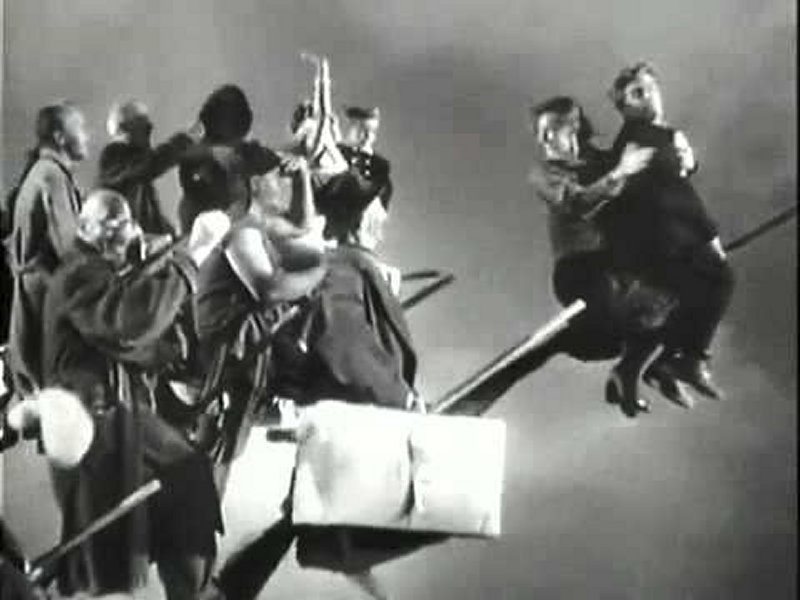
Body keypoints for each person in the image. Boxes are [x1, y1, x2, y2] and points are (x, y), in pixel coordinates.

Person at [39, 188, 230, 599]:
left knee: (176, 489)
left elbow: (131, 339)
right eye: (113, 224)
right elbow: (127, 324)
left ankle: (191, 584)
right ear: (88, 229)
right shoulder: (78, 276)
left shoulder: (95, 270)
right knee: (174, 484)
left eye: (125, 223)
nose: (123, 232)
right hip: (94, 428)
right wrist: (190, 258)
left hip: (110, 417)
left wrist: (170, 350)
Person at [606, 62, 735, 400]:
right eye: (635, 94)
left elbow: (674, 178)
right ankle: (686, 361)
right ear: (623, 107)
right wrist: (710, 237)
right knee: (719, 280)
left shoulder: (656, 137)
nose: (647, 96)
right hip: (664, 241)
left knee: (682, 301)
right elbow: (676, 195)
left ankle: (651, 366)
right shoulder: (643, 139)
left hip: (660, 241)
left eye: (649, 88)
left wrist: (687, 161)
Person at [4, 102, 89, 396]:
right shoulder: (51, 176)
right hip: (45, 303)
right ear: (60, 137)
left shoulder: (43, 171)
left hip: (34, 297)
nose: (87, 136)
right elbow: (70, 250)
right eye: (80, 128)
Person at [178, 84, 281, 232]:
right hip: (203, 223)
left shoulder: (246, 153)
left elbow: (274, 159)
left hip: (234, 222)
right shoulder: (197, 150)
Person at [97, 99, 204, 236]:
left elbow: (148, 215)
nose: (149, 132)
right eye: (144, 127)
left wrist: (170, 235)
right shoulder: (114, 157)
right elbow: (151, 164)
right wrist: (185, 140)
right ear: (124, 129)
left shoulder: (132, 167)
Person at [337, 106, 391, 194]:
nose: (368, 136)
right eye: (363, 130)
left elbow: (370, 191)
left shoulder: (380, 165)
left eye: (373, 131)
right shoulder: (339, 152)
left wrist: (355, 176)